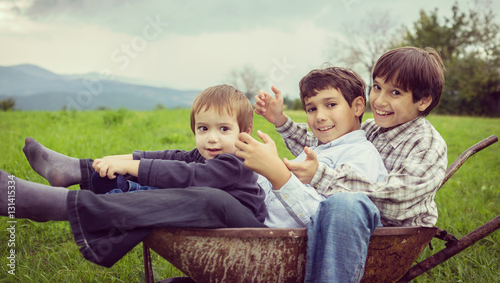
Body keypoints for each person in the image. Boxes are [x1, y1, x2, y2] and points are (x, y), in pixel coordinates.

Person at [0, 84, 267, 268]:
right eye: (203, 128)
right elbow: (175, 158)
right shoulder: (208, 154)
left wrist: (134, 168)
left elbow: (187, 175)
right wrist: (114, 161)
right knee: (160, 182)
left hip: (252, 238)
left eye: (223, 128)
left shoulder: (239, 162)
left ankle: (59, 203)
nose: (211, 137)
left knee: (210, 197)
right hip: (215, 218)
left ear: (246, 130)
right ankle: (77, 170)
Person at [253, 46, 447, 282]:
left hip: (387, 229)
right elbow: (323, 145)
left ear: (423, 100)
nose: (378, 100)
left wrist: (321, 177)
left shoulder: (427, 145)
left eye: (395, 93)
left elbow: (398, 200)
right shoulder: (372, 128)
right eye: (377, 87)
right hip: (347, 225)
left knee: (345, 204)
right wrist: (281, 121)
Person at [235, 66, 387, 228]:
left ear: (357, 107)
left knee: (212, 201)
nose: (320, 117)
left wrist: (279, 175)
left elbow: (334, 222)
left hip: (283, 240)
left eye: (331, 104)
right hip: (257, 223)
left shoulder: (362, 154)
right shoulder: (318, 149)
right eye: (312, 109)